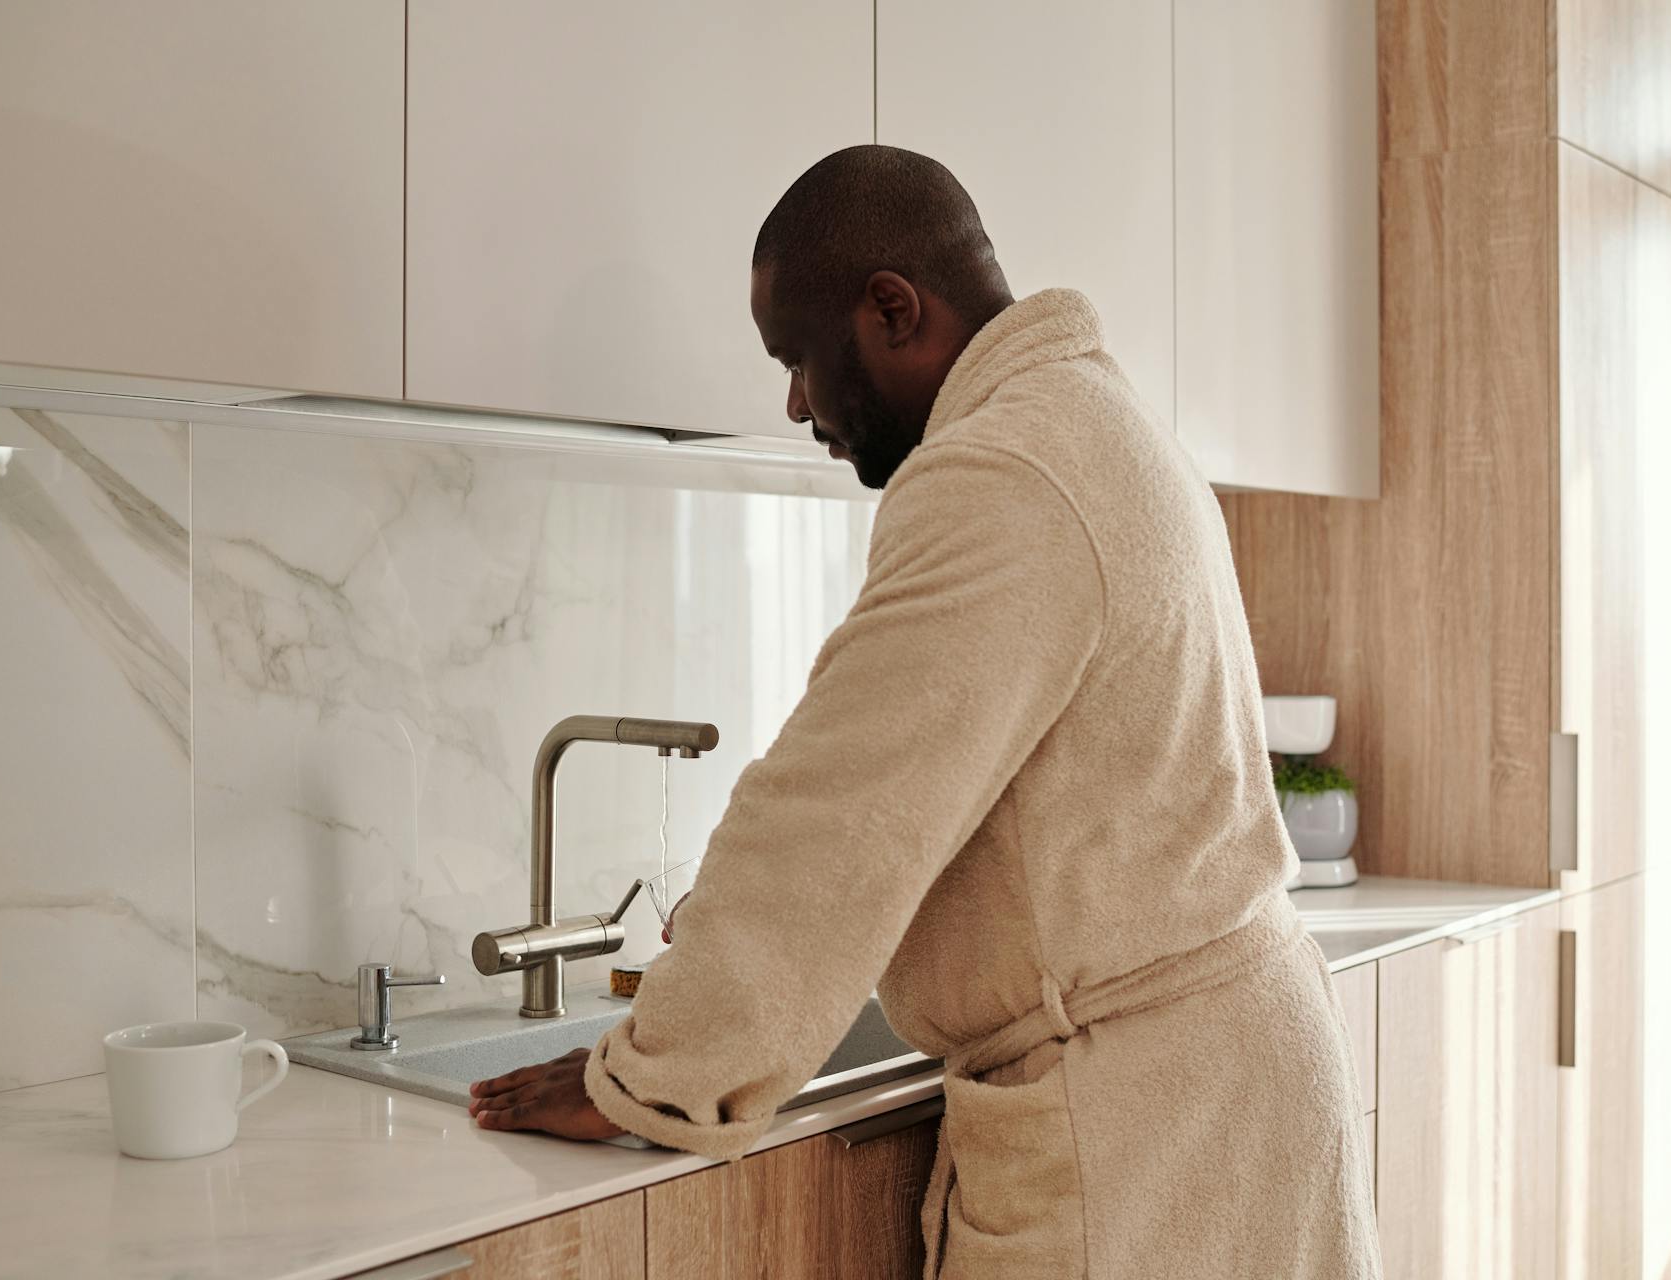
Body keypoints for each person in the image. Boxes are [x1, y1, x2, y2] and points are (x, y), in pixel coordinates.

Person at [468, 145, 1380, 1279]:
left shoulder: (1004, 472)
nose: (795, 400)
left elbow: (838, 811)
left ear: (893, 309)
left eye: (799, 357)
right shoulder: (1091, 420)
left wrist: (653, 1068)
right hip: (1225, 1082)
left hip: (1142, 1127)